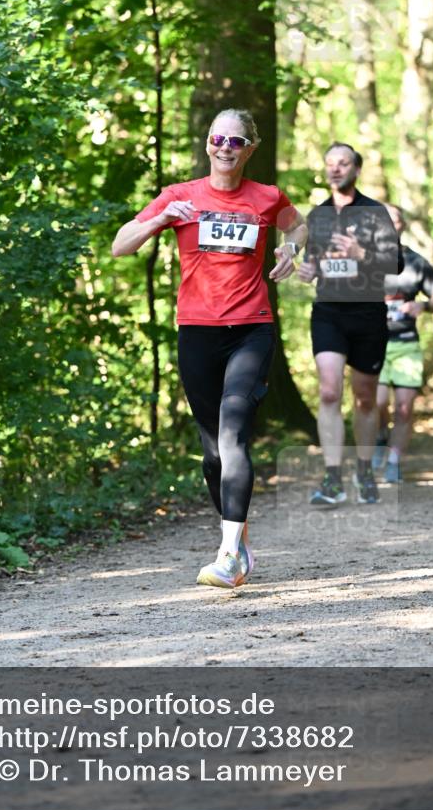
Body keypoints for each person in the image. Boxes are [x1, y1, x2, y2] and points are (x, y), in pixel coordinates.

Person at [112, 108, 307, 588]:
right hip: (196, 331)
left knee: (233, 432)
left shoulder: (266, 197)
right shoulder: (180, 196)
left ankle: (226, 556)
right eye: (218, 138)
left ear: (250, 149)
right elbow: (120, 245)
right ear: (207, 144)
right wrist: (159, 218)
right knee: (213, 454)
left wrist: (291, 248)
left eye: (236, 141)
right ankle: (239, 541)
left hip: (251, 329)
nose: (225, 147)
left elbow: (297, 226)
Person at [297, 142, 402, 507]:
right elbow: (311, 265)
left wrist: (362, 254)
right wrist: (307, 271)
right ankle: (331, 477)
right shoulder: (317, 216)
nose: (335, 169)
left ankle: (363, 469)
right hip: (329, 312)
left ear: (356, 169)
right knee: (328, 391)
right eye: (330, 164)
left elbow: (396, 263)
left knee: (364, 398)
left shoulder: (375, 213)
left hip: (367, 314)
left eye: (343, 163)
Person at [372, 205, 433, 482]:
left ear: (402, 226)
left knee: (404, 408)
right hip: (373, 344)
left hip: (406, 344)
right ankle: (380, 435)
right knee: (377, 403)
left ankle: (394, 460)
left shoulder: (417, 262)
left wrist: (422, 306)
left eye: (396, 220)